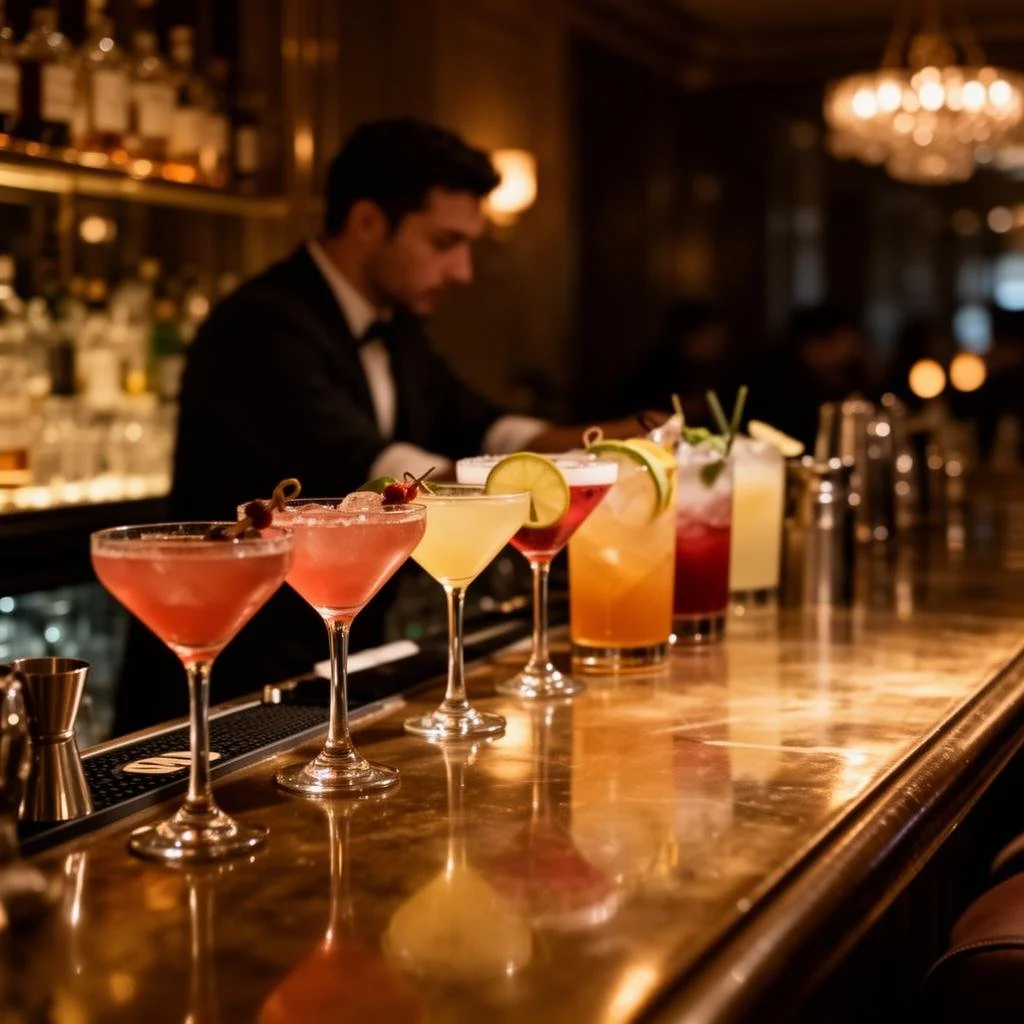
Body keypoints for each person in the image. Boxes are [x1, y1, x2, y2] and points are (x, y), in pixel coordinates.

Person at [114, 118, 650, 734]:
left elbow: (488, 428)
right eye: (445, 243)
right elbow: (371, 467)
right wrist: (525, 489)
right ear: (368, 222)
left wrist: (618, 440)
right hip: (228, 685)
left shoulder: (397, 332)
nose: (463, 272)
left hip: (332, 672)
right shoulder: (259, 327)